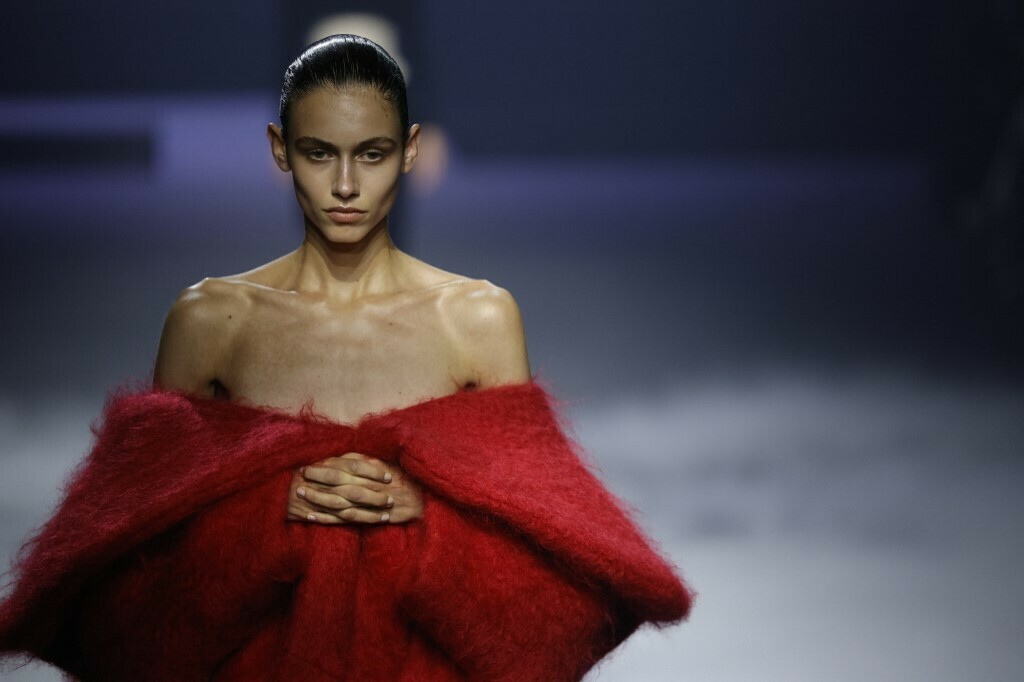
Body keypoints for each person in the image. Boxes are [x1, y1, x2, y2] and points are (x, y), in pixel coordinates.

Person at [0, 35, 691, 681]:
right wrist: (261, 511)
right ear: (280, 150)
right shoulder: (211, 321)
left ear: (410, 150)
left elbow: (541, 565)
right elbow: (139, 577)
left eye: (373, 153)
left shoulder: (477, 320)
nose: (346, 186)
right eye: (318, 153)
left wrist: (432, 514)